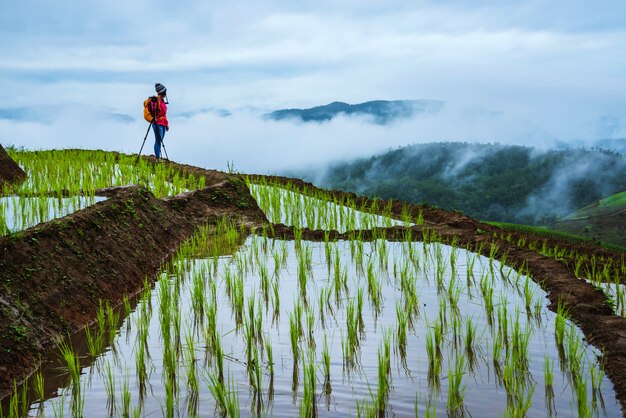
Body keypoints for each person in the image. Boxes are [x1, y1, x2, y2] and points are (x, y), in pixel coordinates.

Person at [151, 83, 169, 161]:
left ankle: (158, 156)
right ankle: (157, 159)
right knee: (158, 140)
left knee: (160, 140)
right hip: (157, 123)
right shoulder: (155, 101)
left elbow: (164, 114)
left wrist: (166, 124)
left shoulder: (162, 101)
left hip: (163, 123)